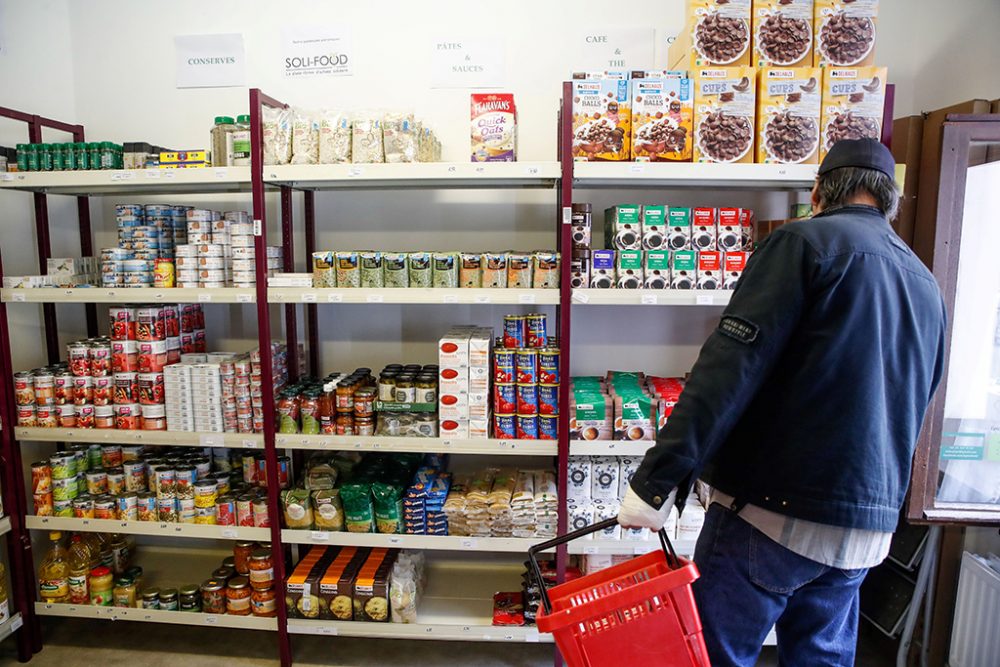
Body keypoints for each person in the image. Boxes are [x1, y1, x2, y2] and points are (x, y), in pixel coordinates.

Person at [617, 138, 947, 667]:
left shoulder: (803, 244)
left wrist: (655, 482)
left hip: (773, 511)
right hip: (865, 528)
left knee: (715, 655)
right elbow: (923, 396)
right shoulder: (925, 281)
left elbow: (727, 371)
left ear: (819, 192)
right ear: (891, 200)